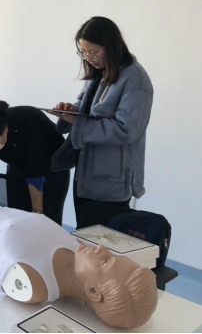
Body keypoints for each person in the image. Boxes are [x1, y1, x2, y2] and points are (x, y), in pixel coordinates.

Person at [0, 182, 158, 329]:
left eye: (105, 262)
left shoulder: (33, 284)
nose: (101, 249)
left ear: (94, 291)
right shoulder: (79, 250)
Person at [50, 17, 154, 223]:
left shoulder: (135, 78)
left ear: (111, 47)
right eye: (83, 52)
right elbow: (87, 109)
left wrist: (77, 123)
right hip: (86, 173)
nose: (88, 58)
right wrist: (71, 111)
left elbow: (125, 130)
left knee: (101, 239)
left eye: (93, 52)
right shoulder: (99, 72)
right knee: (83, 234)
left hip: (113, 180)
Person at [0, 101, 70, 226]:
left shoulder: (30, 119)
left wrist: (37, 212)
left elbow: (35, 171)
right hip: (16, 167)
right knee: (17, 217)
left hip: (50, 169)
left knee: (47, 221)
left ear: (5, 129)